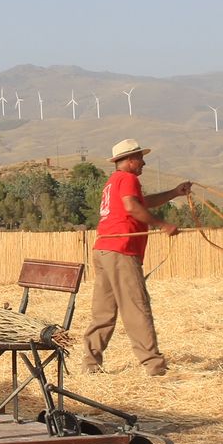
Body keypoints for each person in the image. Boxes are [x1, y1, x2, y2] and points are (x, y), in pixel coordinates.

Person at [81, 139, 193, 377]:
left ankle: (90, 365)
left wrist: (174, 192)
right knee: (136, 308)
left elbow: (141, 202)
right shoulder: (129, 179)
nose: (144, 162)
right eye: (140, 158)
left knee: (103, 312)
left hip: (104, 250)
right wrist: (162, 225)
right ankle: (154, 365)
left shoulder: (114, 181)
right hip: (121, 250)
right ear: (130, 160)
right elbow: (132, 207)